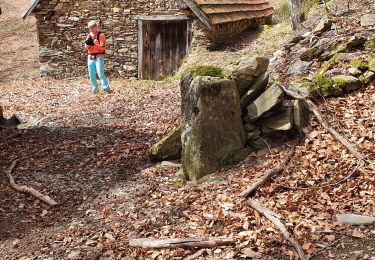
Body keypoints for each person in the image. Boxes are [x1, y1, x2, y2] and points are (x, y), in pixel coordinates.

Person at [85, 20, 111, 94]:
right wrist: (88, 44)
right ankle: (95, 88)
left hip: (99, 56)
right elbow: (86, 47)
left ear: (96, 27)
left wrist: (93, 44)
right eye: (89, 28)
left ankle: (106, 88)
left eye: (92, 28)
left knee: (100, 73)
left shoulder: (101, 35)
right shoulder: (89, 35)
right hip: (90, 56)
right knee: (91, 74)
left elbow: (102, 48)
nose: (91, 30)